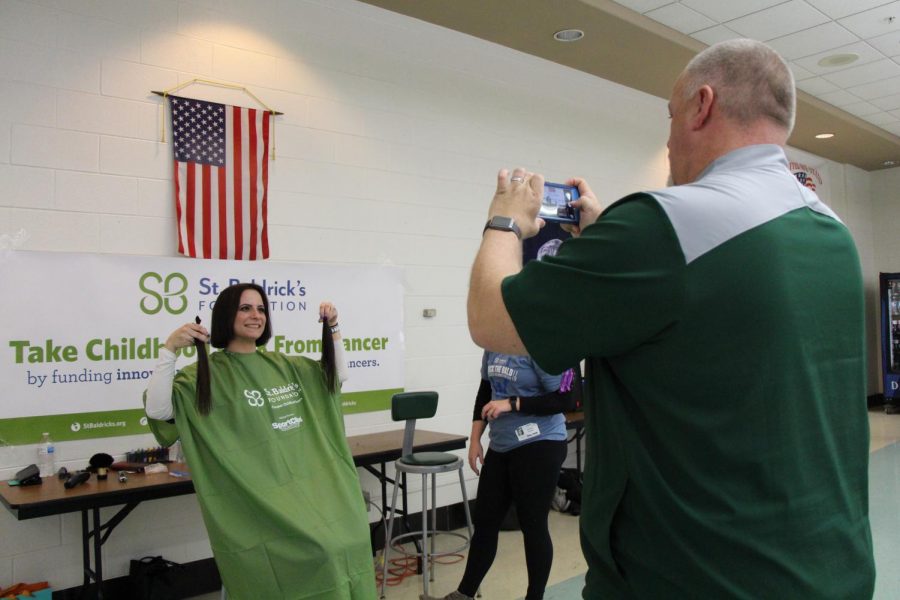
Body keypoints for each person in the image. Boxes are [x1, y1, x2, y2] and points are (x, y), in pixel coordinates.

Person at [467, 39, 875, 598]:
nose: (666, 138)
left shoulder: (665, 225)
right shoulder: (832, 233)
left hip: (694, 577)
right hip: (828, 569)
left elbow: (491, 319)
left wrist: (505, 222)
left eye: (671, 114)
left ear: (702, 105)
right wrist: (611, 240)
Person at [143, 282, 376, 600]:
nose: (256, 315)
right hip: (260, 507)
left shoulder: (287, 367)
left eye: (261, 309)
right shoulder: (206, 376)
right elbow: (159, 408)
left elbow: (337, 377)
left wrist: (333, 327)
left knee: (352, 541)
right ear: (227, 316)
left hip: (310, 496)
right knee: (321, 552)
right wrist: (169, 349)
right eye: (245, 308)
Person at [422, 351, 575, 600]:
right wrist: (475, 439)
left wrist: (513, 403)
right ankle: (464, 594)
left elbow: (565, 400)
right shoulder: (493, 342)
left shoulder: (537, 343)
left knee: (533, 525)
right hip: (502, 444)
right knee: (485, 523)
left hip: (540, 442)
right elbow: (485, 390)